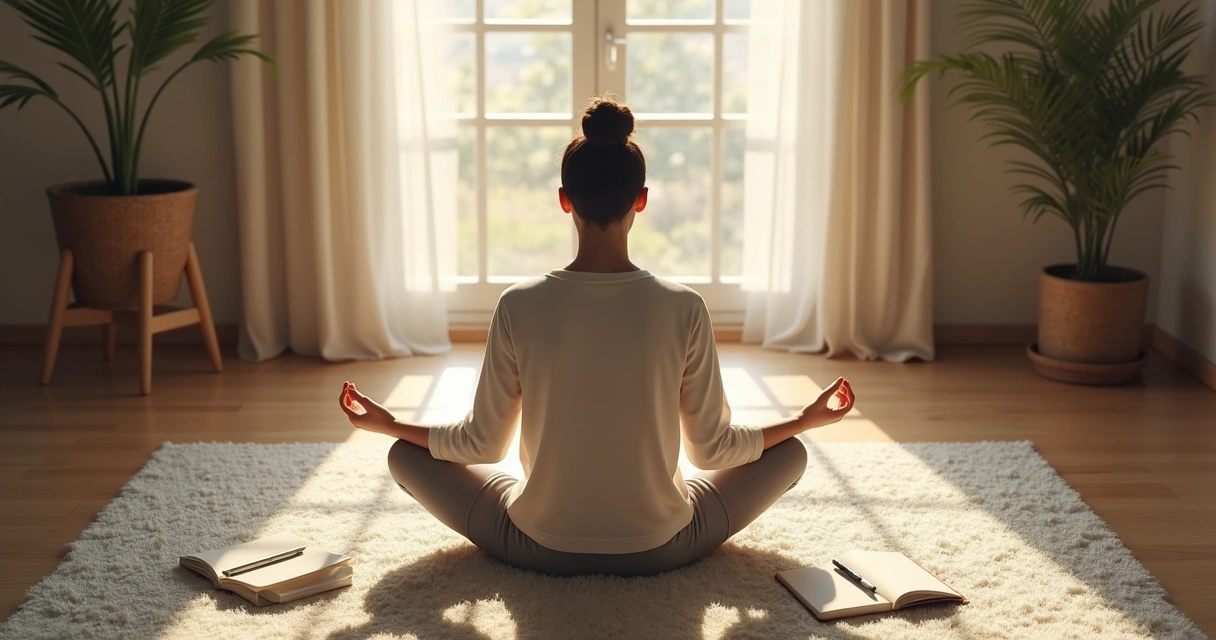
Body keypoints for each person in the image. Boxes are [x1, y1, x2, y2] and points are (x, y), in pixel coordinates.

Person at [339, 96, 855, 577]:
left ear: (565, 201)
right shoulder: (685, 307)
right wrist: (806, 419)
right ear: (643, 200)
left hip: (537, 547)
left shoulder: (519, 303)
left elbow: (481, 443)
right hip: (662, 548)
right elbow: (714, 452)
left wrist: (391, 424)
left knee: (403, 455)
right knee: (793, 452)